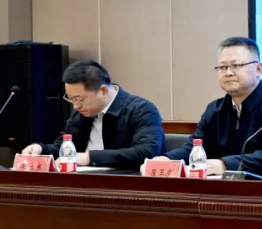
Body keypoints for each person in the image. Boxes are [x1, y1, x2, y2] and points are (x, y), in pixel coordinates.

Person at [156, 37, 262, 177]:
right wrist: (167, 160)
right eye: (222, 67)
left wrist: (224, 165)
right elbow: (195, 147)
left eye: (236, 66)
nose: (228, 73)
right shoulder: (215, 110)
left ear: (258, 69)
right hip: (225, 188)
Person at [20, 59, 163, 170]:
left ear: (103, 91)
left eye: (79, 99)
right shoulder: (81, 113)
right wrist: (41, 148)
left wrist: (88, 157)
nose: (75, 106)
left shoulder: (142, 110)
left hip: (126, 185)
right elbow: (66, 148)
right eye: (71, 99)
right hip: (82, 182)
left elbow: (146, 152)